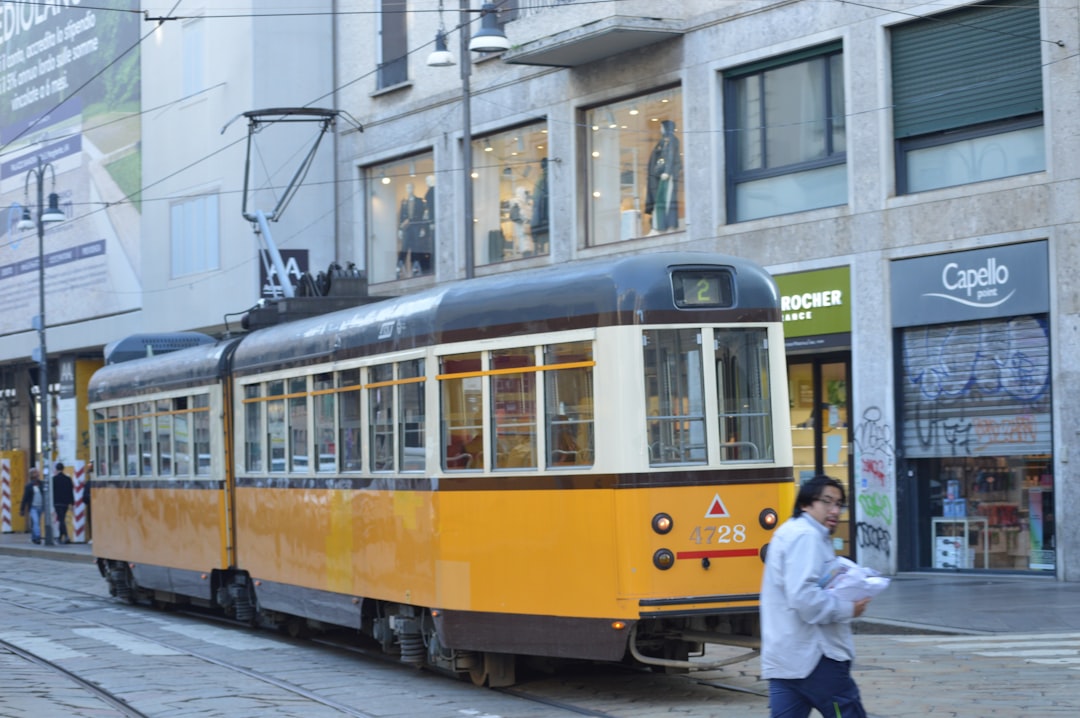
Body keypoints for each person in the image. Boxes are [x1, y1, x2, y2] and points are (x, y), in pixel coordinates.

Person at [760, 474, 870, 718]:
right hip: (816, 657)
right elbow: (804, 598)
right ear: (805, 504)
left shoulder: (791, 532)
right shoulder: (806, 536)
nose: (834, 510)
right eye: (827, 502)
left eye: (839, 504)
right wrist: (848, 609)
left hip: (786, 659)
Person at [645, 119, 681, 233]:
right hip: (660, 176)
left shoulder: (672, 141)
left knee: (665, 201)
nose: (660, 130)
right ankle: (659, 225)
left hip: (666, 176)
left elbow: (671, 156)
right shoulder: (662, 142)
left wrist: (667, 171)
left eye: (662, 127)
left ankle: (665, 225)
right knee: (660, 201)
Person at [397, 183, 429, 278]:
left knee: (416, 246)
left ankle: (415, 266)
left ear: (413, 188)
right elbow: (401, 217)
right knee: (405, 246)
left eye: (410, 187)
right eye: (407, 187)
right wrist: (400, 229)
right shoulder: (404, 202)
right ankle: (400, 266)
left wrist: (423, 227)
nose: (409, 189)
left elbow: (423, 216)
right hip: (407, 228)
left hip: (416, 226)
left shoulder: (419, 201)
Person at [19, 467, 45, 544]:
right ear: (32, 475)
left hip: (40, 506)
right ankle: (37, 537)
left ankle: (33, 537)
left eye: (37, 472)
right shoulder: (29, 486)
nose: (37, 474)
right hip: (33, 507)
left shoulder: (42, 484)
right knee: (36, 522)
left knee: (36, 522)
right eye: (35, 473)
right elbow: (25, 498)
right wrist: (22, 509)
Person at [52, 461, 75, 544]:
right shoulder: (68, 479)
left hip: (57, 502)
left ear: (56, 469)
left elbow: (52, 492)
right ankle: (61, 536)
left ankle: (66, 536)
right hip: (65, 502)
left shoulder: (54, 479)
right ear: (63, 469)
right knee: (62, 518)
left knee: (61, 519)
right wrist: (72, 503)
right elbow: (70, 492)